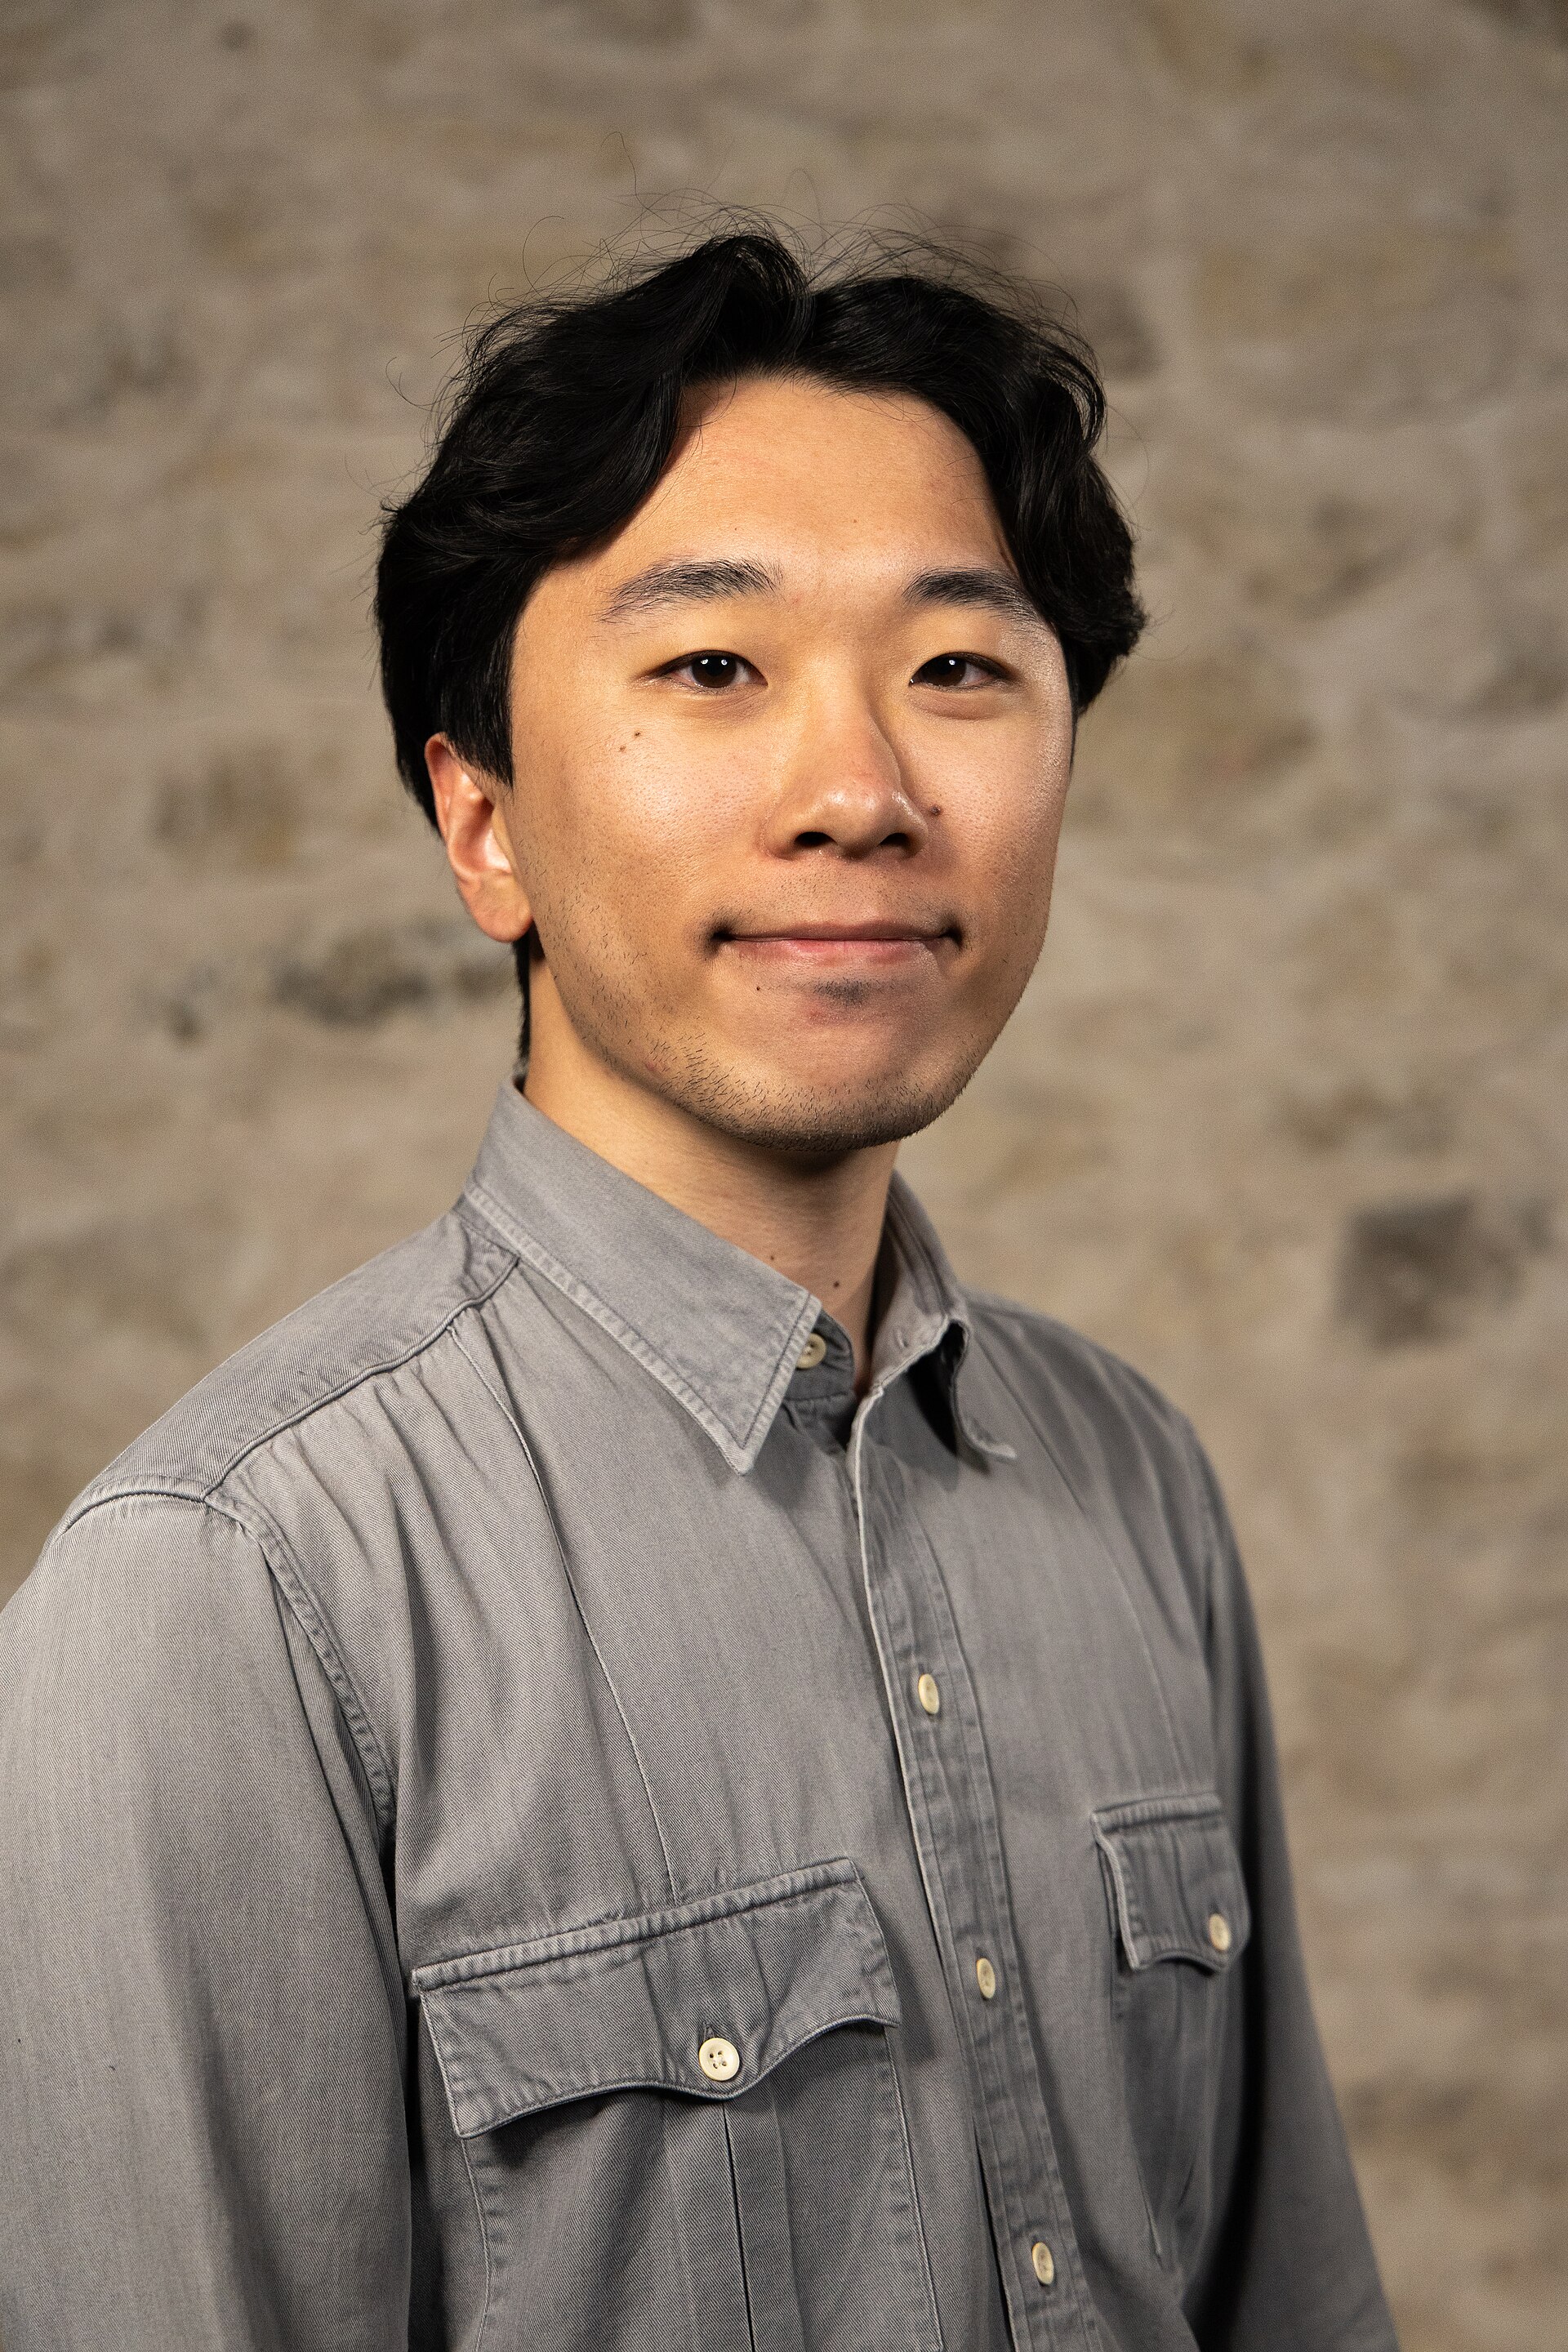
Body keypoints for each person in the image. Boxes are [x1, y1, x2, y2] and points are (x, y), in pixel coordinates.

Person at [0, 227, 1398, 2352]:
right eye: (712, 671)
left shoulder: (1135, 1482)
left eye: (958, 671)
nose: (860, 794)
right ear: (485, 828)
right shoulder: (227, 1595)